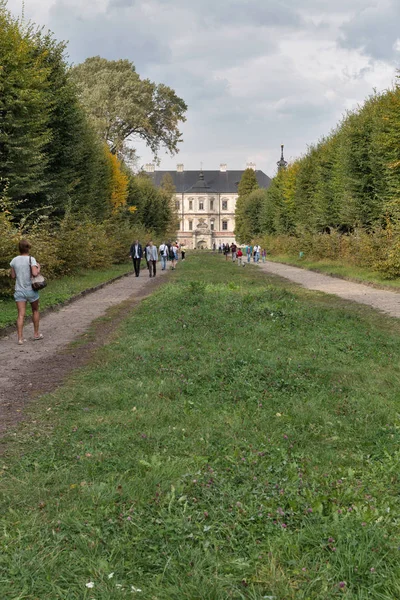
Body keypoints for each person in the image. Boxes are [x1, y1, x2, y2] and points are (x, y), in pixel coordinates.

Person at [10, 239, 43, 345]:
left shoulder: (14, 260)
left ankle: (20, 338)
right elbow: (34, 273)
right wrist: (38, 268)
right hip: (31, 290)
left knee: (20, 315)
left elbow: (13, 276)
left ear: (19, 248)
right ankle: (36, 334)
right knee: (35, 310)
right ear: (28, 248)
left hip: (19, 290)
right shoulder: (31, 259)